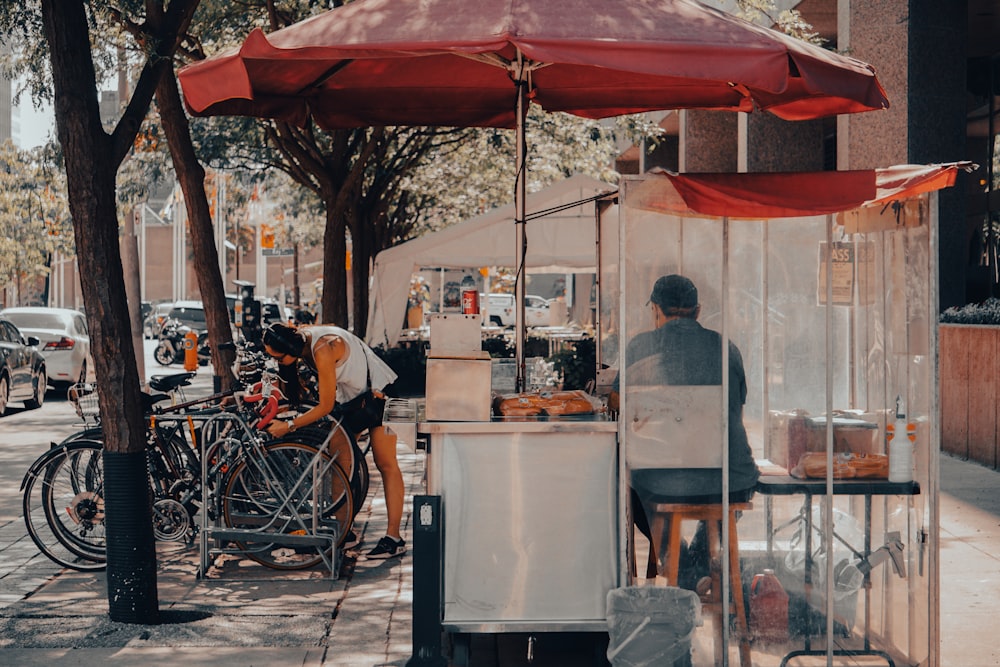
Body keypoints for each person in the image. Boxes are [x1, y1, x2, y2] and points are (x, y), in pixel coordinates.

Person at [618, 274, 759, 585]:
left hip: (660, 480)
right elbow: (739, 404)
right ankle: (699, 562)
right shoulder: (726, 348)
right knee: (731, 490)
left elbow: (620, 404)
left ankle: (680, 564)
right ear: (698, 311)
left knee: (636, 488)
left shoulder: (639, 347)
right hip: (729, 479)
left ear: (656, 309)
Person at [262, 322, 407, 560]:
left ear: (290, 349)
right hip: (356, 400)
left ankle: (394, 538)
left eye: (277, 357)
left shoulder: (322, 349)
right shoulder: (304, 339)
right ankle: (344, 532)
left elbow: (325, 406)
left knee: (386, 463)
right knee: (338, 463)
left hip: (383, 394)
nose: (275, 362)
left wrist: (289, 426)